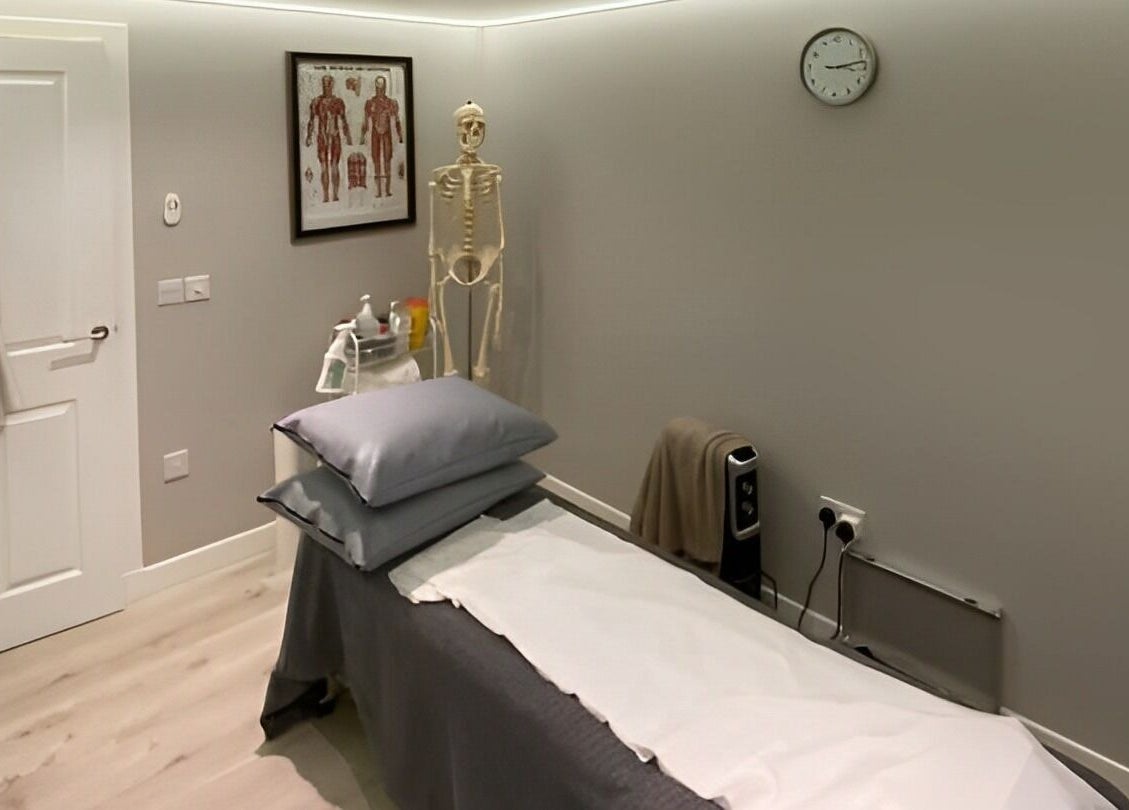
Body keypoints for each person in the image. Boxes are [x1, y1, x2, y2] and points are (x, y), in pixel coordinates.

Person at [305, 74, 351, 203]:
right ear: (322, 84)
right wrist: (309, 136)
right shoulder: (316, 102)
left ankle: (335, 195)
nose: (327, 86)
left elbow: (344, 120)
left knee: (334, 165)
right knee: (324, 166)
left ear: (333, 84)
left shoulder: (338, 102)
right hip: (322, 137)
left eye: (329, 83)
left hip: (335, 135)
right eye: (325, 83)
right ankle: (325, 195)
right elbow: (311, 121)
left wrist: (348, 137)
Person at [361, 75, 403, 198]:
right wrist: (362, 136)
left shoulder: (391, 103)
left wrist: (401, 136)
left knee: (387, 160)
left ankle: (387, 190)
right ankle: (379, 190)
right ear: (375, 86)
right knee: (376, 161)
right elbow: (365, 121)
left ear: (385, 86)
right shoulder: (370, 103)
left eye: (382, 86)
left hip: (387, 134)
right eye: (378, 86)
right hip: (375, 133)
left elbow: (397, 120)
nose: (380, 88)